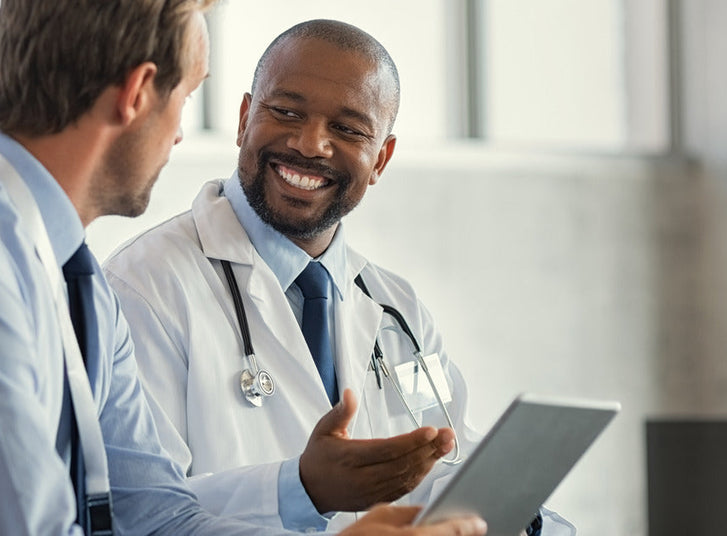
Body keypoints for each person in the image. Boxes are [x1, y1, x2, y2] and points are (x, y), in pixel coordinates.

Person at [0, 2, 490, 536]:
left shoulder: (71, 282)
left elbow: (157, 514)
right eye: (189, 96)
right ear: (139, 93)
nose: (180, 134)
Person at [103, 18, 574, 534]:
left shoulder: (398, 312)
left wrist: (519, 517)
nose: (310, 144)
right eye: (285, 111)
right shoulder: (144, 287)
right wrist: (301, 488)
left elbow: (445, 457)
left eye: (347, 129)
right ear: (243, 119)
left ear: (381, 159)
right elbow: (138, 513)